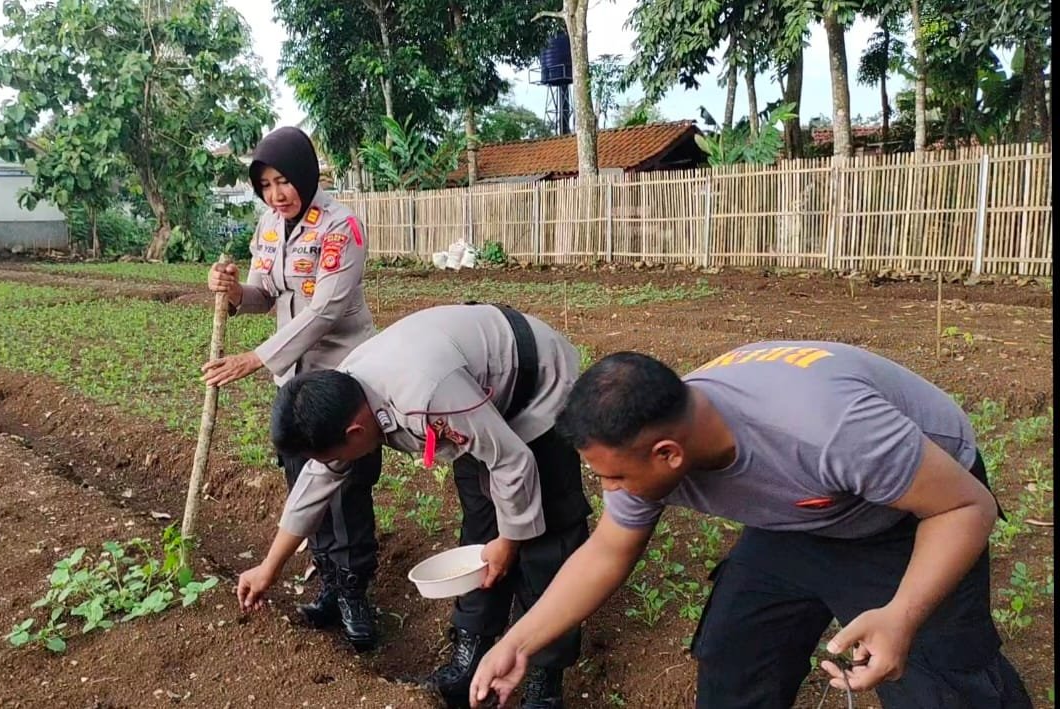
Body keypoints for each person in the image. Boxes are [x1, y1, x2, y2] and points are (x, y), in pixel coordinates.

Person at [470, 341, 1032, 709]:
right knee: (736, 656)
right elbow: (607, 551)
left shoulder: (826, 429)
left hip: (915, 512)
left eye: (614, 478)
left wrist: (901, 617)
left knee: (944, 686)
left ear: (668, 454)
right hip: (798, 518)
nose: (610, 491)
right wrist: (518, 641)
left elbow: (966, 507)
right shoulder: (647, 438)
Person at [235, 304, 592, 708]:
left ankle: (545, 681)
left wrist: (510, 541)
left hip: (535, 383)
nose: (330, 466)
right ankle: (471, 658)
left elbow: (513, 459)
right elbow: (317, 482)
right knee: (481, 531)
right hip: (474, 396)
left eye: (331, 455)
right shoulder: (343, 398)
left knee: (547, 536)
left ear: (354, 431)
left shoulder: (426, 397)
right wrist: (269, 568)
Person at [199, 126, 382, 652]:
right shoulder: (270, 226)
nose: (277, 193)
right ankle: (328, 580)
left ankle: (353, 592)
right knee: (302, 475)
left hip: (342, 376)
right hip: (294, 380)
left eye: (284, 181)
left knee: (344, 485)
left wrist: (256, 357)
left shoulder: (340, 226)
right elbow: (266, 292)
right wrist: (235, 293)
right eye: (265, 184)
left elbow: (325, 309)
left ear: (305, 173)